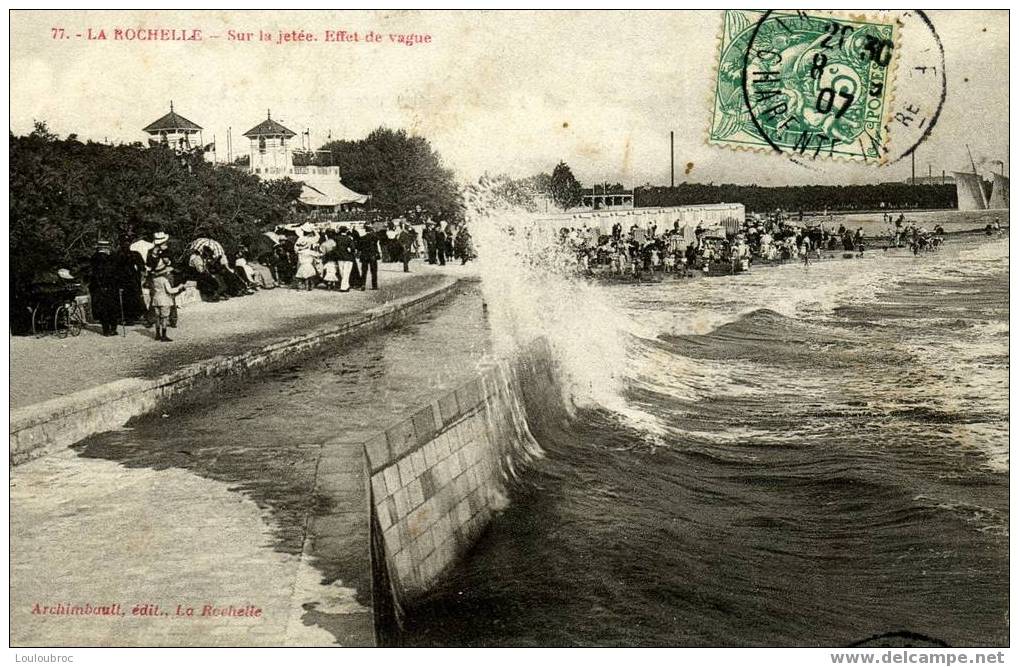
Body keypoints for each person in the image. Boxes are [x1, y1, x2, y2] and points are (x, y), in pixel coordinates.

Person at [88, 240, 120, 336]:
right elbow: (113, 273)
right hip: (109, 286)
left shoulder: (94, 257)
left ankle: (106, 329)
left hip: (98, 287)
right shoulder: (110, 258)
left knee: (103, 308)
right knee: (112, 307)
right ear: (107, 248)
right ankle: (112, 328)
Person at [149, 265, 185, 342]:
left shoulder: (154, 279)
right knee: (164, 318)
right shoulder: (164, 280)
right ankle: (164, 336)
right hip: (164, 300)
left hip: (156, 299)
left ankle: (157, 335)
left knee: (157, 317)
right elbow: (170, 291)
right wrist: (179, 287)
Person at [335, 226, 357, 292]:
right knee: (346, 273)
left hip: (340, 257)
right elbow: (353, 248)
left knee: (342, 272)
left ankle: (346, 286)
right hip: (348, 257)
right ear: (346, 231)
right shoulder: (349, 239)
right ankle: (344, 287)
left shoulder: (337, 238)